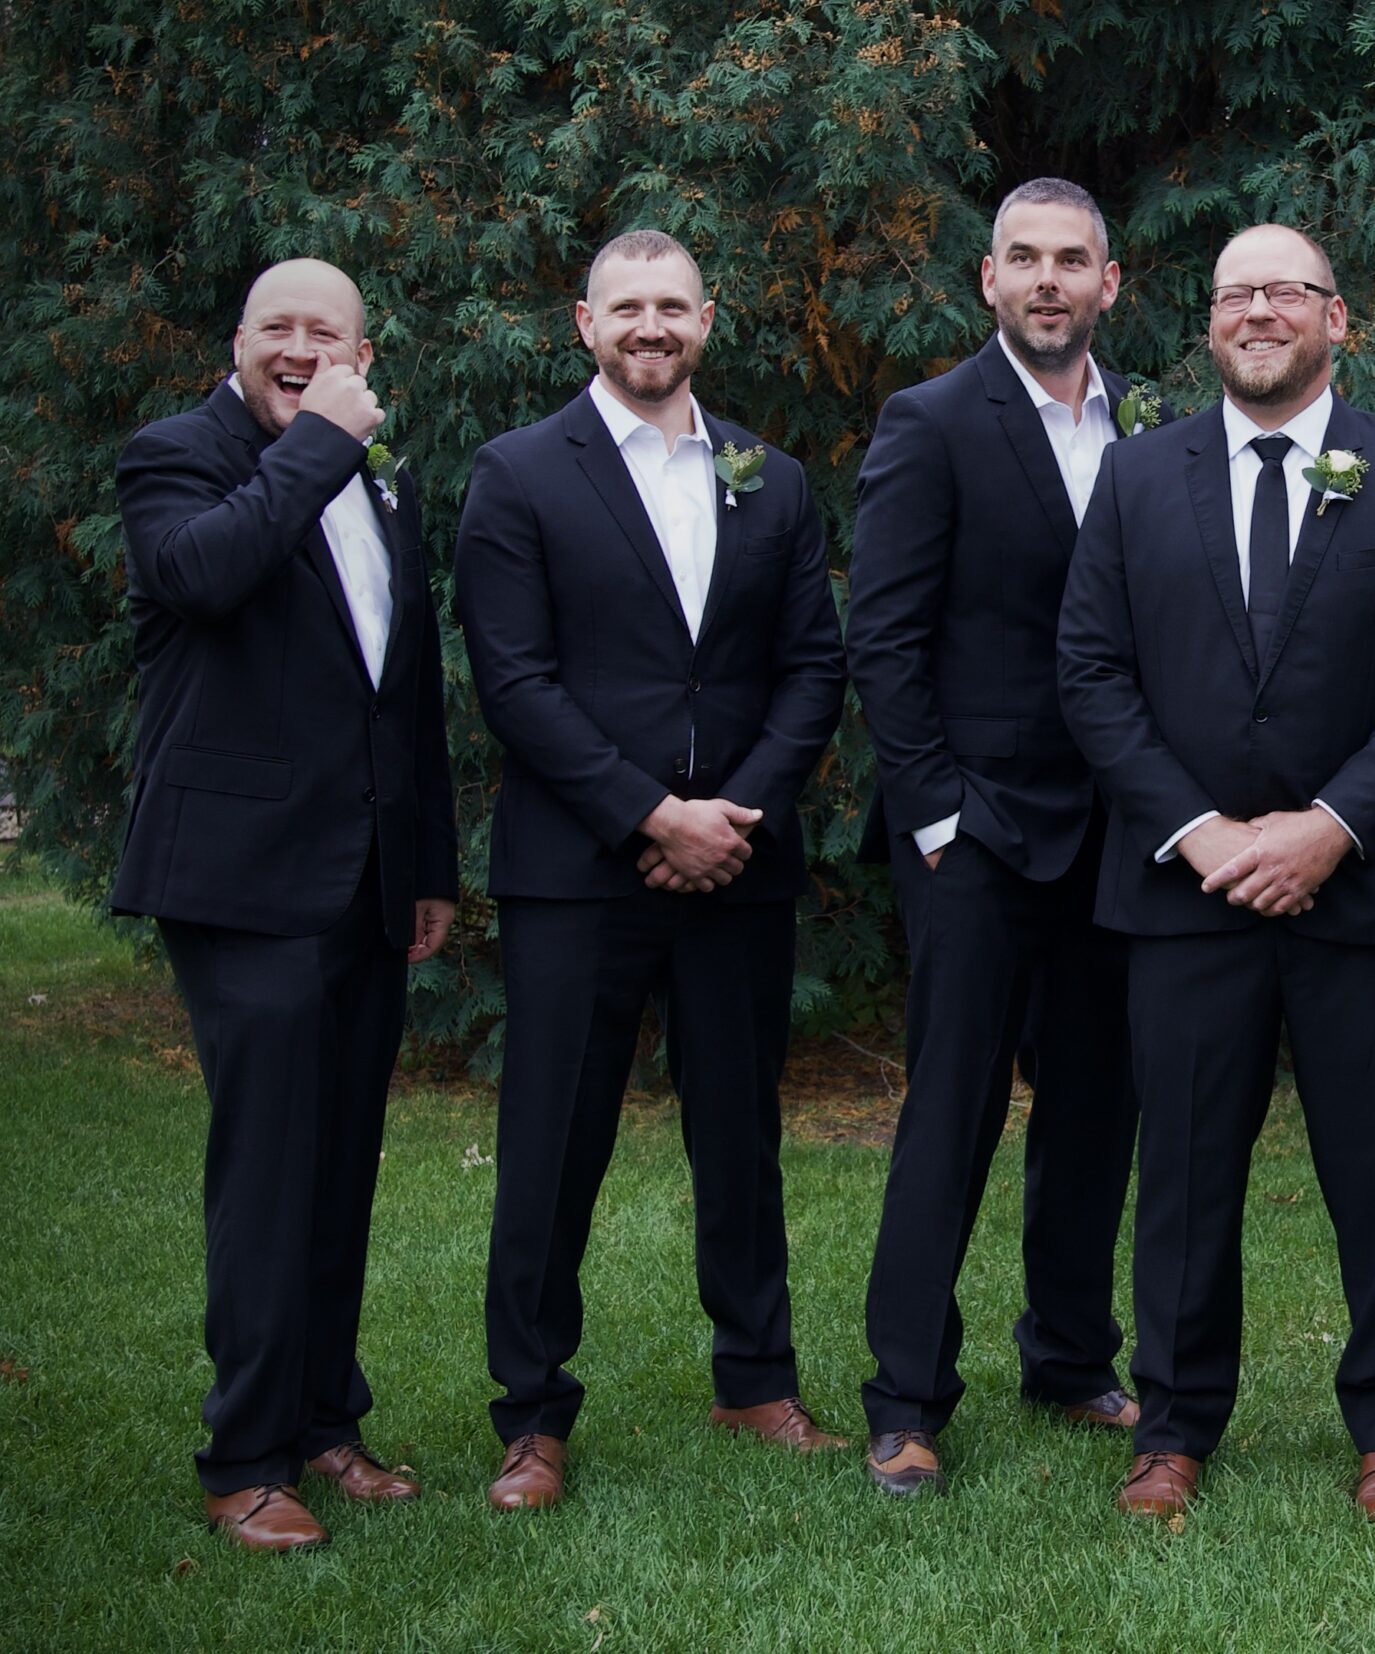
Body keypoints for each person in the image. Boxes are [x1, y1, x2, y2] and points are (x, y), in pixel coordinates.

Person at [1055, 223, 1375, 1519]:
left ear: (1335, 319)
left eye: (1285, 292)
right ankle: (1174, 1425)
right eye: (1234, 293)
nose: (1257, 311)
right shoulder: (1136, 477)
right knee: (1185, 1173)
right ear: (1208, 323)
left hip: (1361, 890)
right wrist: (1199, 830)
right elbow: (1091, 673)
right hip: (1185, 894)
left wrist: (1330, 825)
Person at [454, 229, 849, 1511]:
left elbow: (812, 666)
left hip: (737, 862)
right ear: (585, 323)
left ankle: (758, 1379)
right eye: (626, 306)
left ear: (707, 319)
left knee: (740, 1134)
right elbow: (514, 679)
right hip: (580, 869)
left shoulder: (770, 478)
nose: (650, 326)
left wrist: (733, 816)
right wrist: (646, 816)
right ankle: (532, 1413)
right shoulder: (518, 472)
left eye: (672, 305)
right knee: (551, 1142)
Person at [113, 256, 459, 1550]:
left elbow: (404, 687)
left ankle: (323, 1421)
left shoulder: (382, 481)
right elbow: (204, 574)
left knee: (339, 1160)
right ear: (239, 341)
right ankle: (245, 1457)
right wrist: (319, 444)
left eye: (328, 333)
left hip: (363, 874)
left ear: (365, 353)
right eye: (279, 328)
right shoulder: (177, 457)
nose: (301, 348)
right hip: (238, 874)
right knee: (268, 1167)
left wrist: (426, 863)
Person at [842, 178, 1143, 1496]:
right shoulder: (932, 422)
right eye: (1023, 258)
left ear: (1107, 283)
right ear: (989, 279)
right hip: (976, 831)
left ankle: (1070, 1356)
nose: (1047, 280)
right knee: (952, 1108)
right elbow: (884, 637)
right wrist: (936, 816)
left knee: (1094, 1102)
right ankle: (906, 1396)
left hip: (1113, 830)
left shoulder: (1143, 427)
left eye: (1070, 259)